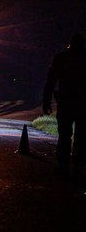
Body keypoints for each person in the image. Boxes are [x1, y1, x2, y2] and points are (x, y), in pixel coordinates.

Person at [43, 33, 86, 179]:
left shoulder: (61, 58)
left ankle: (63, 165)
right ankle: (78, 167)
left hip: (66, 102)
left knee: (64, 135)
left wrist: (46, 101)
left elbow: (51, 80)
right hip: (82, 103)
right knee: (81, 136)